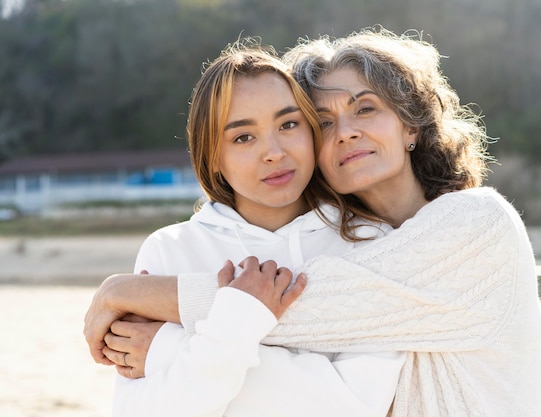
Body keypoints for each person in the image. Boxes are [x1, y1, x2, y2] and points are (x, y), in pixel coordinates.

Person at [85, 27, 541, 417]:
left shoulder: (476, 224)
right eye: (323, 122)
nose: (345, 131)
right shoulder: (172, 249)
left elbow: (310, 313)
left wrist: (153, 326)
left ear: (412, 125)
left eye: (365, 108)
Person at [85, 40, 405, 417]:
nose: (273, 151)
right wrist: (237, 324)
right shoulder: (169, 250)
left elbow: (357, 408)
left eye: (288, 124)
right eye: (243, 137)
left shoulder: (371, 242)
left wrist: (167, 350)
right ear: (213, 157)